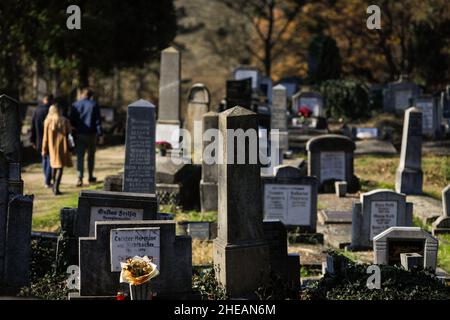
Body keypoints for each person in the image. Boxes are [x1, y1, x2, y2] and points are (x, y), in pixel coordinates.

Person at [70, 88, 102, 187]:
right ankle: (90, 176)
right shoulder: (94, 104)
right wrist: (100, 133)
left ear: (82, 94)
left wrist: (74, 131)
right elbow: (98, 121)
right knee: (91, 157)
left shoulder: (75, 105)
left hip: (79, 134)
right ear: (90, 95)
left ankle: (80, 178)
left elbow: (71, 120)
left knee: (80, 157)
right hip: (91, 134)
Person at [42, 104, 73, 195]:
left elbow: (45, 137)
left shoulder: (47, 121)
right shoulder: (64, 120)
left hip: (52, 147)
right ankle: (56, 187)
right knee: (60, 167)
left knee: (53, 166)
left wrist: (44, 149)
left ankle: (54, 187)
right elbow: (69, 134)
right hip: (62, 147)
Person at [30, 94, 54, 188]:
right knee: (49, 159)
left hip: (39, 139)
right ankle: (47, 181)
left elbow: (32, 126)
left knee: (44, 158)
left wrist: (32, 139)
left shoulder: (37, 110)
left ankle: (46, 179)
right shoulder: (51, 111)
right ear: (51, 100)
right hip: (50, 139)